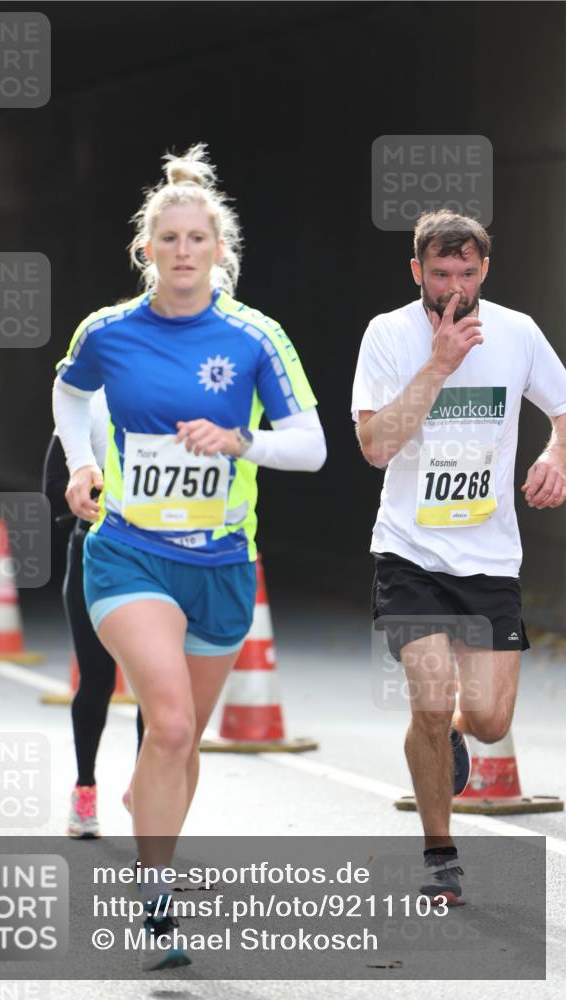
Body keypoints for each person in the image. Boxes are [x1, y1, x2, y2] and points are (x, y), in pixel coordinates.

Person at [53, 143, 326, 968]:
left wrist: (240, 441)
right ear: (146, 250)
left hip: (222, 567)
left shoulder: (254, 336)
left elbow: (310, 448)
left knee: (177, 743)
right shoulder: (108, 331)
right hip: (129, 553)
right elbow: (68, 391)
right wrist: (82, 463)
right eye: (166, 239)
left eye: (195, 239)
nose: (180, 251)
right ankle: (157, 908)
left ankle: (152, 823)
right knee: (166, 717)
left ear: (218, 249)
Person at [352, 209, 566, 904]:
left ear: (483, 270)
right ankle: (440, 856)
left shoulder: (517, 333)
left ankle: (449, 735)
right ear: (416, 271)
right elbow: (376, 445)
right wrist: (439, 364)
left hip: (489, 558)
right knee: (428, 698)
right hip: (409, 552)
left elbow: (562, 407)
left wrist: (554, 449)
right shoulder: (388, 335)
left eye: (465, 273)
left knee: (488, 718)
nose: (452, 288)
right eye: (438, 274)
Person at [42, 387, 145, 838]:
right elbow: (52, 487)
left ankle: (147, 788)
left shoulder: (182, 395)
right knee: (97, 678)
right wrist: (93, 497)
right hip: (95, 551)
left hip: (157, 556)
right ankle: (84, 789)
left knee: (155, 684)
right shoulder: (89, 401)